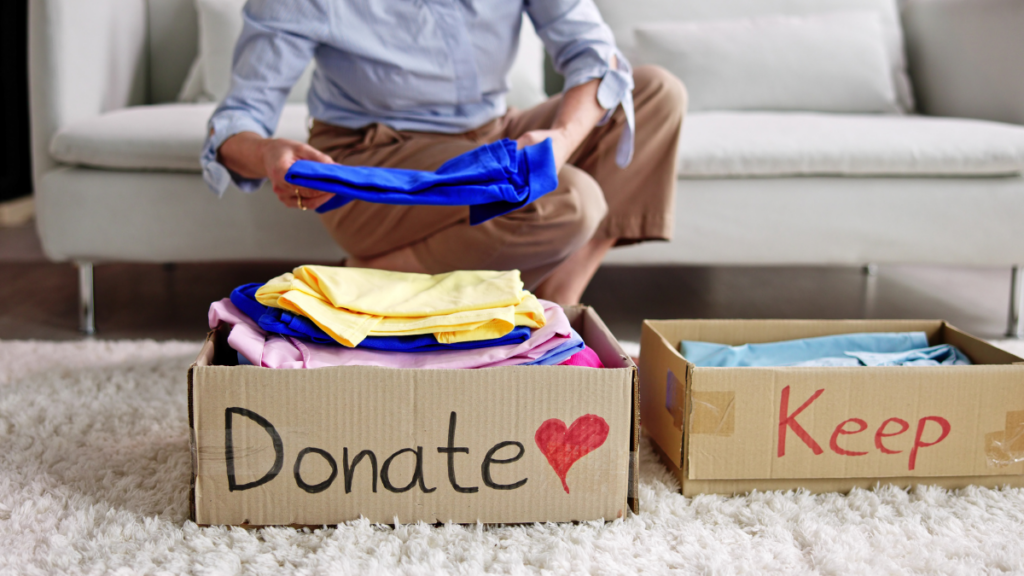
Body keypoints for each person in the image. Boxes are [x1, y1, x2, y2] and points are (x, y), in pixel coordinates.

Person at [201, 0, 685, 305]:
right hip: (374, 158)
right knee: (570, 202)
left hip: (491, 134)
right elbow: (235, 121)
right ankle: (366, 283)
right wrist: (268, 152)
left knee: (654, 93)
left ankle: (562, 298)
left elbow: (598, 57)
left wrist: (559, 141)